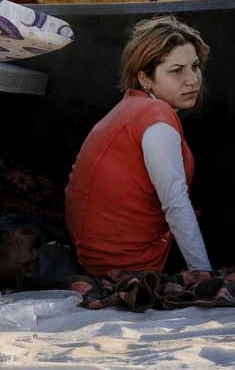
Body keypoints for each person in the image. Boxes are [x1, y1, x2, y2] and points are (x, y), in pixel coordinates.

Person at [64, 15, 213, 275]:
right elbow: (175, 201)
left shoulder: (131, 107)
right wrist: (203, 276)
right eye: (176, 71)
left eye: (195, 66)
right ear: (145, 78)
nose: (192, 80)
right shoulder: (155, 116)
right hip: (131, 264)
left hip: (97, 256)